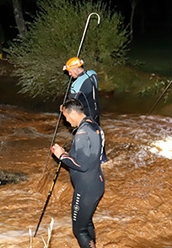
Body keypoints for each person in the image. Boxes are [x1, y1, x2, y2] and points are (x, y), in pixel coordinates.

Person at [51, 98, 105, 248]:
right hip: (96, 183)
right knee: (86, 222)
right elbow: (89, 156)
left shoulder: (82, 133)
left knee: (79, 230)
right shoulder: (93, 125)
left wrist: (61, 155)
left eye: (66, 117)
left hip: (86, 189)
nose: (66, 121)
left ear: (73, 113)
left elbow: (82, 164)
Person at [63, 57, 107, 162]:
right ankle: (103, 159)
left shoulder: (76, 85)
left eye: (70, 72)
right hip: (96, 111)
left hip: (86, 115)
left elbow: (72, 104)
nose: (69, 75)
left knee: (85, 138)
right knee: (97, 135)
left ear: (75, 70)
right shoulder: (93, 74)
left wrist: (63, 107)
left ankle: (86, 161)